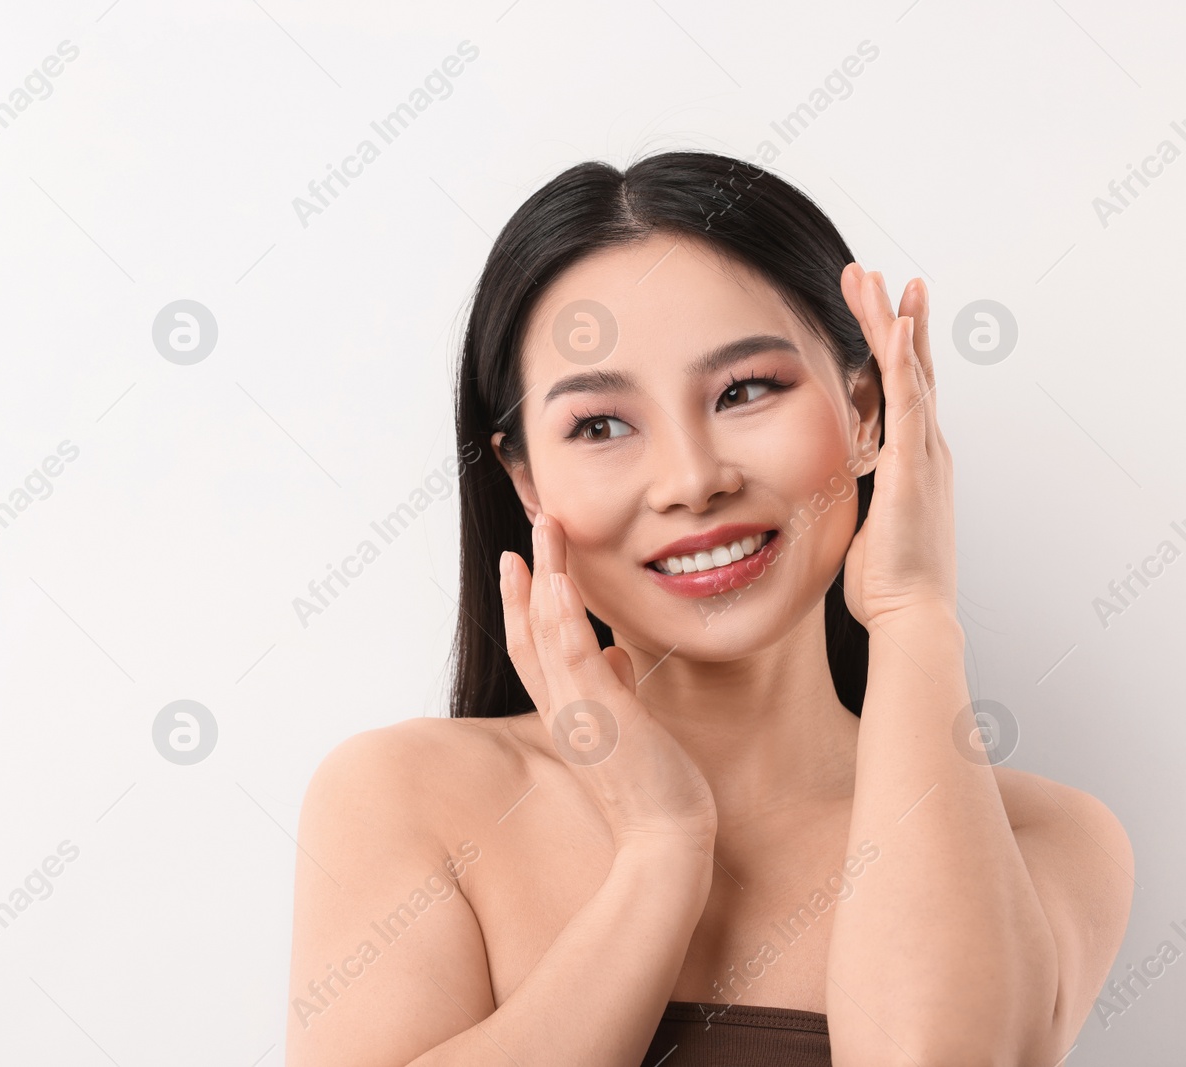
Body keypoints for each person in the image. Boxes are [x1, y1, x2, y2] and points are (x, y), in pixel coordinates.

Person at [284, 151, 1133, 1066]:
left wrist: (913, 608)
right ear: (526, 478)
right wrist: (661, 852)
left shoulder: (1042, 840)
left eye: (745, 390)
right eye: (600, 425)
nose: (692, 480)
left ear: (864, 410)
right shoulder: (407, 797)